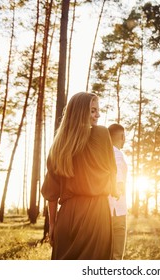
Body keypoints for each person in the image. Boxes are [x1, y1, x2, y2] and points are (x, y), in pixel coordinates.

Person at [41, 92, 117, 260]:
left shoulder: (58, 148)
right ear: (80, 112)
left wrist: (52, 225)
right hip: (96, 215)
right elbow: (113, 170)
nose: (98, 115)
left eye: (98, 110)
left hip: (66, 216)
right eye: (93, 111)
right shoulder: (102, 134)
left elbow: (51, 195)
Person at [108, 123, 128, 260]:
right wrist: (119, 190)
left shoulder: (104, 153)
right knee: (116, 257)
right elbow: (119, 182)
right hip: (117, 211)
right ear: (121, 136)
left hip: (104, 210)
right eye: (124, 136)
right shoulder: (118, 155)